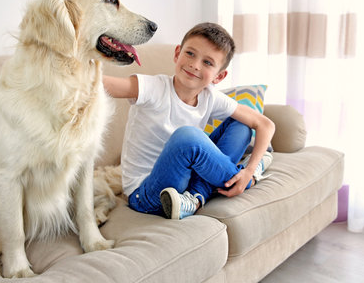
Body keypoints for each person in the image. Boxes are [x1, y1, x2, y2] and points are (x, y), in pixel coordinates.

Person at [103, 22, 275, 220]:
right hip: (146, 195)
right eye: (190, 53)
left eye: (208, 62)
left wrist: (250, 168)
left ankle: (196, 196)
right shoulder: (153, 87)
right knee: (188, 137)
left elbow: (265, 124)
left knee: (242, 125)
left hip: (185, 185)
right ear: (177, 53)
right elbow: (102, 85)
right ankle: (246, 177)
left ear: (219, 76)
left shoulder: (210, 97)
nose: (195, 65)